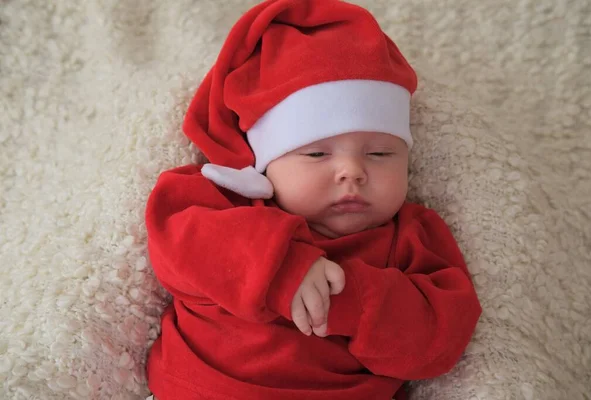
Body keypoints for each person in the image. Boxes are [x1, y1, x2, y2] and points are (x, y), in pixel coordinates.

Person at [144, 0, 482, 399]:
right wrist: (280, 267)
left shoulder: (412, 236)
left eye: (380, 153)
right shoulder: (223, 200)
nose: (352, 172)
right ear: (267, 161)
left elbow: (441, 338)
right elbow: (176, 240)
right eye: (317, 154)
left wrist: (351, 299)